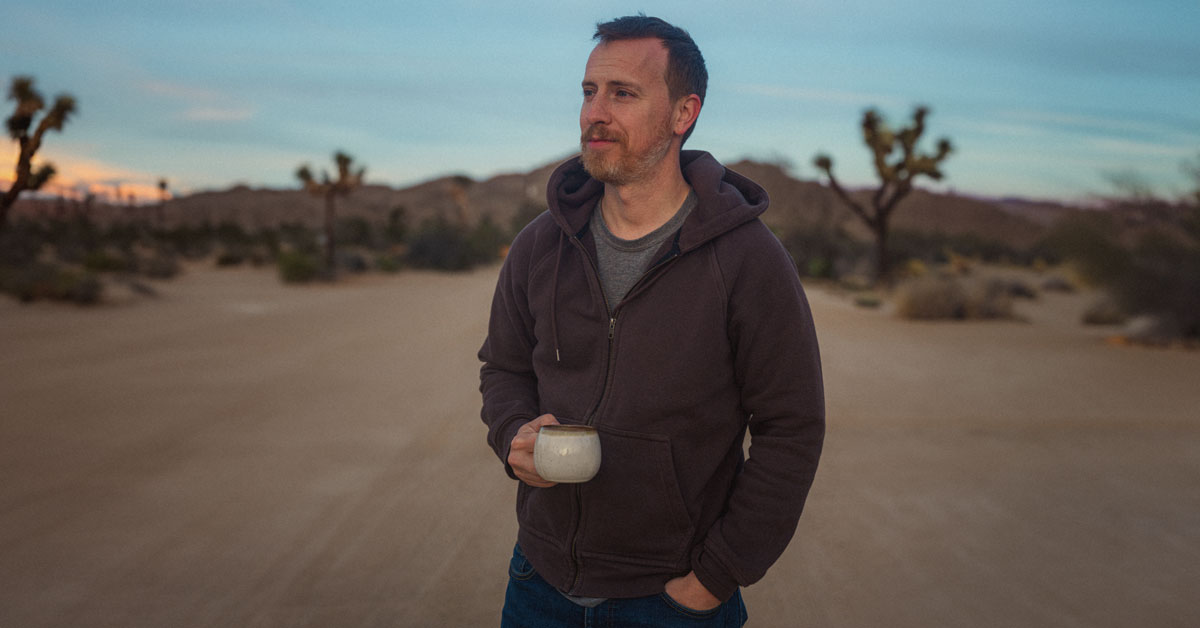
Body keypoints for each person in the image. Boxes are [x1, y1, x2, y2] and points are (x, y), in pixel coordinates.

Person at [479, 15, 824, 627]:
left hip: (671, 602)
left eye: (623, 93)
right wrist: (513, 436)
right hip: (538, 582)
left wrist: (716, 577)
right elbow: (503, 367)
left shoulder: (747, 260)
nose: (595, 113)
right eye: (589, 92)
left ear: (683, 112)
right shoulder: (541, 245)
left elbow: (791, 427)